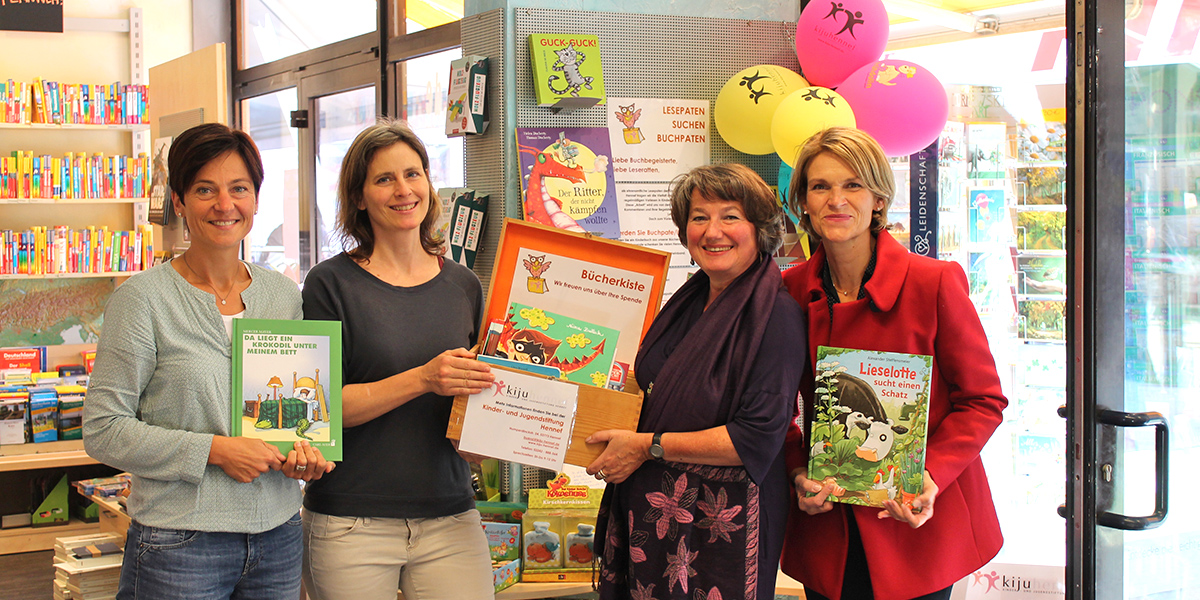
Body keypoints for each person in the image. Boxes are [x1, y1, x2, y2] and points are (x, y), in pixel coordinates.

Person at [83, 122, 333, 600]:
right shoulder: (142, 300)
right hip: (178, 542)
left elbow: (292, 414)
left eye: (239, 188)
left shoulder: (283, 295)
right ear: (179, 201)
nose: (225, 204)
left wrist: (303, 454)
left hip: (278, 535)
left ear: (255, 200)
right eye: (205, 189)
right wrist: (215, 450)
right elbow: (103, 428)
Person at [780, 127, 1007, 600]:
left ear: (879, 200)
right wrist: (798, 470)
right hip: (829, 527)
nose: (836, 200)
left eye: (853, 185)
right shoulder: (791, 290)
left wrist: (932, 475)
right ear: (803, 201)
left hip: (915, 522)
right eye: (820, 186)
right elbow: (776, 407)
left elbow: (982, 401)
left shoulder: (935, 283)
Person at [584, 164, 806, 599]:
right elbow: (651, 389)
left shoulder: (776, 316)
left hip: (719, 526)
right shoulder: (686, 302)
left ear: (759, 229)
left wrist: (646, 445)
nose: (712, 231)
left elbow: (756, 437)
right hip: (653, 515)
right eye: (699, 217)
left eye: (730, 216)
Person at [299, 118, 495, 600]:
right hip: (351, 522)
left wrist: (493, 432)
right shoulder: (330, 284)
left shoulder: (463, 285)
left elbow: (476, 400)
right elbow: (315, 412)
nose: (403, 190)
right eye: (384, 179)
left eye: (413, 174)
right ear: (359, 197)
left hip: (451, 514)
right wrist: (424, 378)